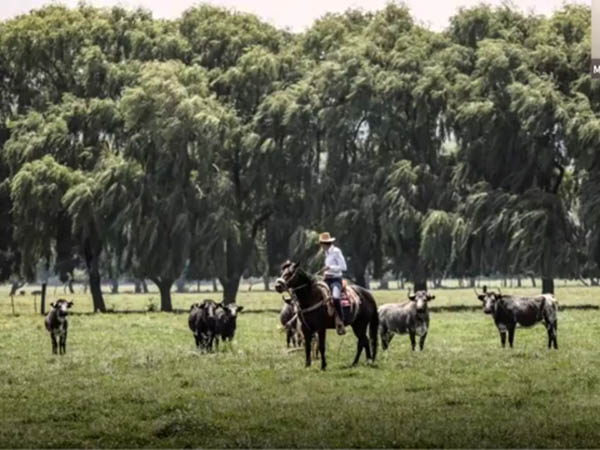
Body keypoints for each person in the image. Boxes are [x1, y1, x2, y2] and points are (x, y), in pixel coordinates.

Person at [319, 232, 348, 335]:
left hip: (335, 280)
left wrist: (330, 267)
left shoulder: (336, 251)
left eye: (321, 243)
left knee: (335, 298)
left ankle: (341, 320)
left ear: (325, 243)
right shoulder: (326, 253)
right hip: (326, 279)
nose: (321, 246)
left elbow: (344, 267)